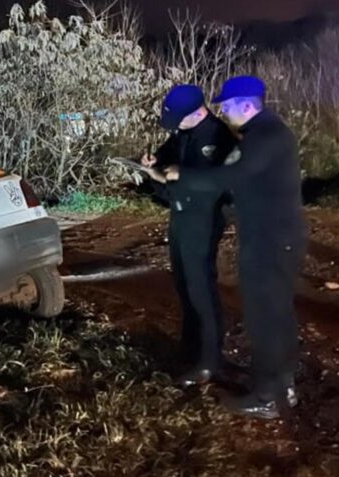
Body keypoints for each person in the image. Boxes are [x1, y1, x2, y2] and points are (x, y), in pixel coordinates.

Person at [166, 76, 306, 419]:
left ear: (246, 104)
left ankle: (268, 396)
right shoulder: (267, 133)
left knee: (264, 318)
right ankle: (282, 386)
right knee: (276, 313)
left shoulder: (264, 136)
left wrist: (179, 176)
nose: (223, 112)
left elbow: (230, 177)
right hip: (275, 236)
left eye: (227, 106)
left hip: (270, 240)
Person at [141, 84, 237, 387]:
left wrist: (178, 177)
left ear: (197, 112)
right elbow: (169, 153)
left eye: (179, 120)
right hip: (180, 216)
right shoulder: (184, 131)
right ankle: (191, 347)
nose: (176, 127)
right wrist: (152, 161)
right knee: (184, 284)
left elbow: (220, 185)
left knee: (201, 289)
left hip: (204, 220)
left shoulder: (219, 138)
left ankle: (209, 361)